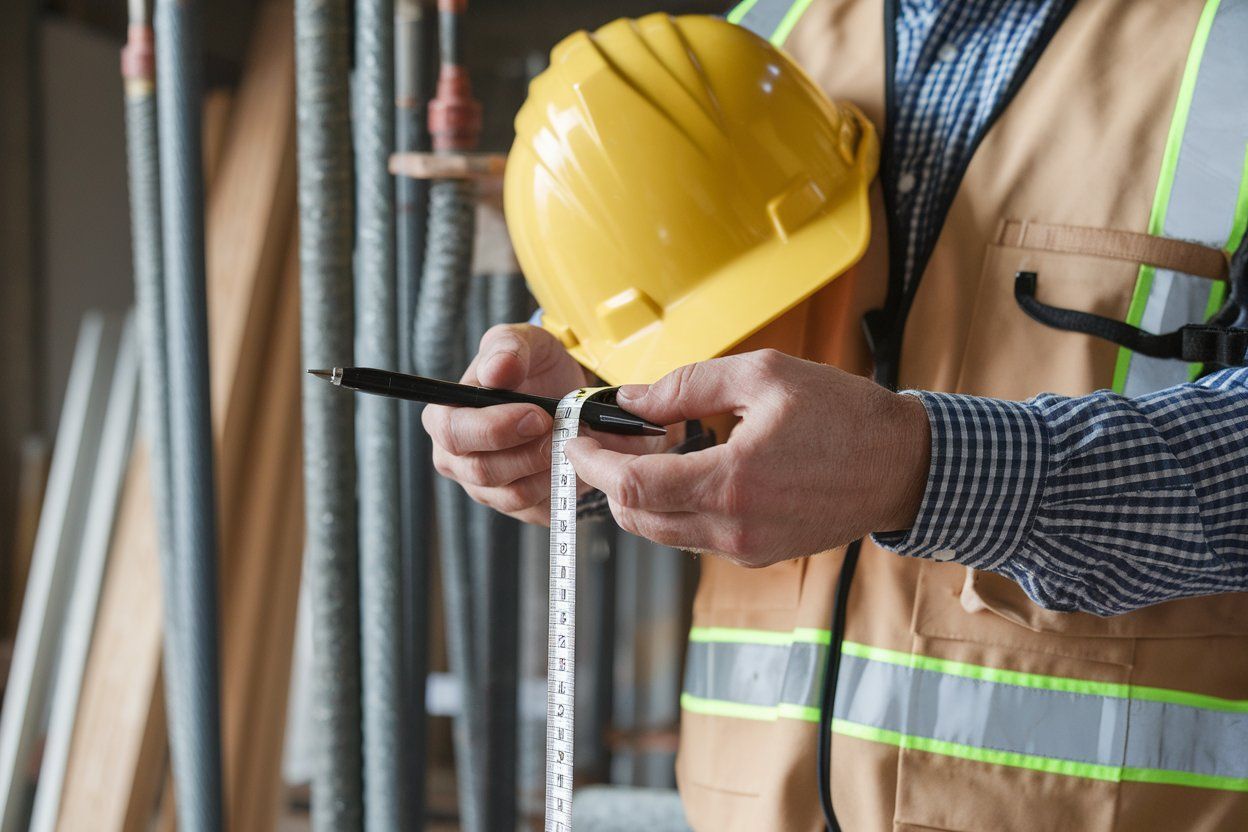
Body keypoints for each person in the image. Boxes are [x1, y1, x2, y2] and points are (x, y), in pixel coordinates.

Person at [425, 2, 1248, 829]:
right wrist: (593, 408)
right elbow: (724, 356)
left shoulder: (1228, 52)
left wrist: (923, 471)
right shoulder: (765, 32)